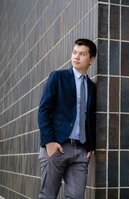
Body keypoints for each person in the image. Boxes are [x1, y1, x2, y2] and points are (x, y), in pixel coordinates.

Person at [37, 38, 97, 199]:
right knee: (48, 196)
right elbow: (44, 110)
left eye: (82, 54)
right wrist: (49, 142)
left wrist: (91, 146)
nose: (76, 57)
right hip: (57, 146)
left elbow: (91, 118)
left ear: (91, 59)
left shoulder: (92, 87)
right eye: (74, 52)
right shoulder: (58, 77)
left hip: (81, 151)